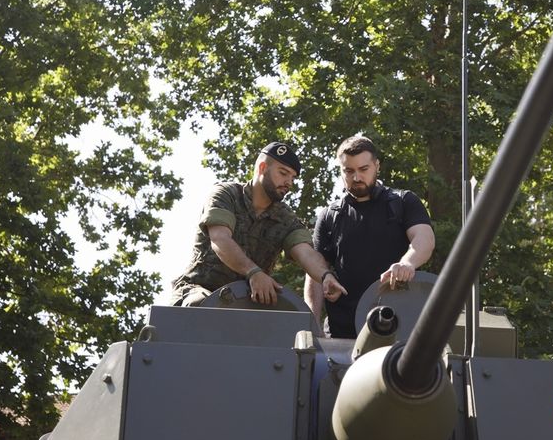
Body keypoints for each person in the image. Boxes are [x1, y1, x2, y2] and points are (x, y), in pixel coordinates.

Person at [169, 141, 347, 307]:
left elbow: (306, 254)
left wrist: (325, 275)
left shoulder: (286, 219)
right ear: (262, 167)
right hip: (199, 289)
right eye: (283, 173)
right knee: (199, 306)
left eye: (292, 178)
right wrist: (253, 272)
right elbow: (220, 239)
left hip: (249, 300)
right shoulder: (227, 195)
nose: (288, 182)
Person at [305, 135, 436, 338]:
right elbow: (314, 272)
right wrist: (311, 324)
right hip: (341, 334)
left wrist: (407, 264)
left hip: (396, 329)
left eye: (363, 169)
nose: (356, 177)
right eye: (349, 171)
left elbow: (424, 240)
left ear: (377, 166)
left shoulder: (403, 202)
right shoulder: (330, 216)